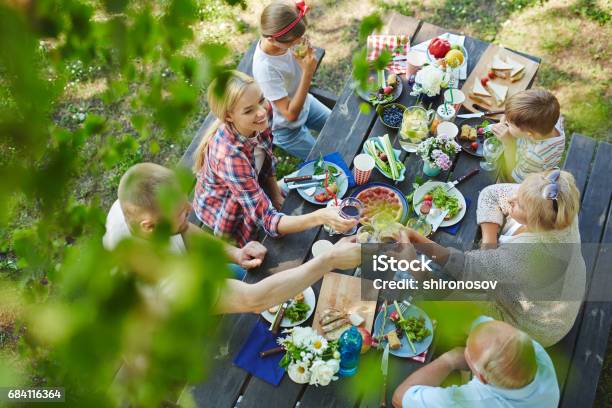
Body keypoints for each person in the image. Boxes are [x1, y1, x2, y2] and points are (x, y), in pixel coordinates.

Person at [103, 162, 361, 314]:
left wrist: (234, 254)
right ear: (149, 227)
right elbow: (254, 300)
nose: (191, 211)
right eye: (181, 212)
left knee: (255, 273)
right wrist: (330, 259)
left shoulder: (128, 209)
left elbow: (184, 232)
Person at [399, 169, 585, 347]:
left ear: (536, 221)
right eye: (519, 193)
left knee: (449, 296)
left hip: (533, 323)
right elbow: (492, 194)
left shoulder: (531, 255)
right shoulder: (556, 206)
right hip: (556, 289)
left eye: (519, 205)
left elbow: (465, 269)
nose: (511, 199)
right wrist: (489, 246)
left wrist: (415, 259)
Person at [192, 70, 354, 247]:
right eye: (249, 110)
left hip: (254, 186)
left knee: (322, 175)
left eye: (261, 100)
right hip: (228, 211)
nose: (262, 111)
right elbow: (268, 221)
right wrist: (320, 217)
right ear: (229, 116)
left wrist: (275, 194)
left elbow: (267, 159)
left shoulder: (262, 115)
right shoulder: (229, 158)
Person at [392, 316, 560, 408]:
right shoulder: (533, 351)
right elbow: (480, 323)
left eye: (468, 352)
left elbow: (400, 398)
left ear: (481, 377)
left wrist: (449, 360)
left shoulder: (471, 401)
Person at [252, 0, 331, 160]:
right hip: (286, 128)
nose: (299, 43)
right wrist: (307, 72)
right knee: (326, 160)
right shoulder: (265, 69)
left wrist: (306, 62)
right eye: (293, 42)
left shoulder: (285, 41)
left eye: (301, 37)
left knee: (340, 125)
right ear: (271, 39)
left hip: (305, 103)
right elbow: (290, 114)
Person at [493, 89, 565, 182]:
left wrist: (509, 143)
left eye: (510, 124)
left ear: (529, 135)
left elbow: (512, 180)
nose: (506, 122)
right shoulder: (552, 119)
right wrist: (511, 117)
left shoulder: (534, 156)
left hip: (525, 180)